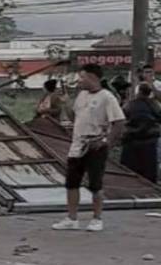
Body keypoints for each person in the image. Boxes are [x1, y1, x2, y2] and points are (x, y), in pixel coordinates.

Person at [53, 63, 125, 232]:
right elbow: (74, 116)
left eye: (83, 77)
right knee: (72, 182)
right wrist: (66, 103)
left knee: (95, 183)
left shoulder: (107, 97)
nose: (80, 80)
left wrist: (107, 141)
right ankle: (72, 218)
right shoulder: (81, 95)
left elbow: (119, 122)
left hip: (95, 144)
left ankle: (97, 218)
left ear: (93, 77)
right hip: (77, 144)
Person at [121, 83, 161, 183]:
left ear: (138, 92)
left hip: (131, 141)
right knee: (149, 173)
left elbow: (121, 119)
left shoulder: (129, 105)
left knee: (128, 172)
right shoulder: (155, 105)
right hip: (149, 142)